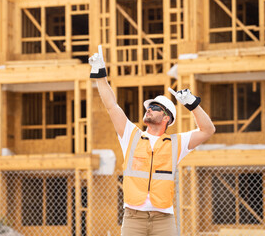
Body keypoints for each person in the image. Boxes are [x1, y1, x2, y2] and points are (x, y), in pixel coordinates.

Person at [89, 45, 215, 236]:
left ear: (166, 118)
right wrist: (100, 75)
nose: (149, 109)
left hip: (163, 219)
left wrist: (193, 104)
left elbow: (208, 130)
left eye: (155, 107)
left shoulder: (176, 143)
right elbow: (111, 105)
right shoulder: (131, 135)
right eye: (149, 106)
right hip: (133, 218)